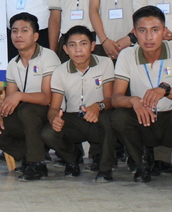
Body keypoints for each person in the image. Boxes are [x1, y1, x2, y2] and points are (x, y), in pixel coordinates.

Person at [109, 6, 172, 186]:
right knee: (118, 116)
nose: (149, 37)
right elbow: (116, 98)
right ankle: (142, 162)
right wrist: (134, 100)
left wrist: (165, 89)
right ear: (134, 33)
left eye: (155, 30)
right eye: (142, 31)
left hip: (170, 122)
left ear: (165, 31)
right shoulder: (127, 55)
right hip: (144, 119)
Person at [0, 12, 60, 180]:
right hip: (28, 112)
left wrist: (19, 96)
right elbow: (10, 98)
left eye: (24, 30)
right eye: (14, 31)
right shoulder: (13, 63)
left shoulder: (48, 56)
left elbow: (47, 98)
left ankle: (37, 164)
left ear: (36, 36)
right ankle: (29, 154)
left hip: (51, 112)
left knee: (27, 110)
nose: (18, 35)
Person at [41, 26, 117, 181]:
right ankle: (72, 159)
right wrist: (53, 118)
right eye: (72, 45)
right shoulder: (60, 71)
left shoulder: (105, 64)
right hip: (73, 118)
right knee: (48, 133)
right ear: (65, 49)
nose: (78, 50)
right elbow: (54, 108)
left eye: (83, 44)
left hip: (98, 116)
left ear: (92, 46)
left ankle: (105, 169)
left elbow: (110, 100)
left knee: (110, 119)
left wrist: (97, 106)